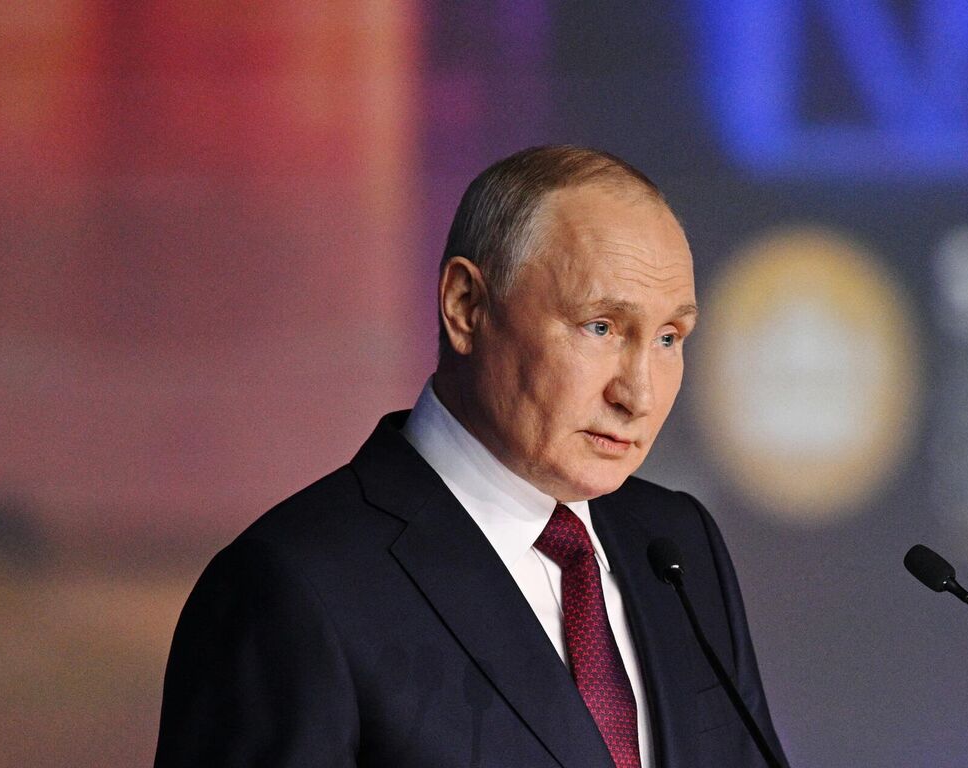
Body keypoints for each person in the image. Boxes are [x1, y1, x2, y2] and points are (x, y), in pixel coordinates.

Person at [155, 146, 787, 768]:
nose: (638, 394)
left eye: (669, 338)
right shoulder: (292, 587)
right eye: (600, 327)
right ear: (466, 306)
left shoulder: (677, 545)